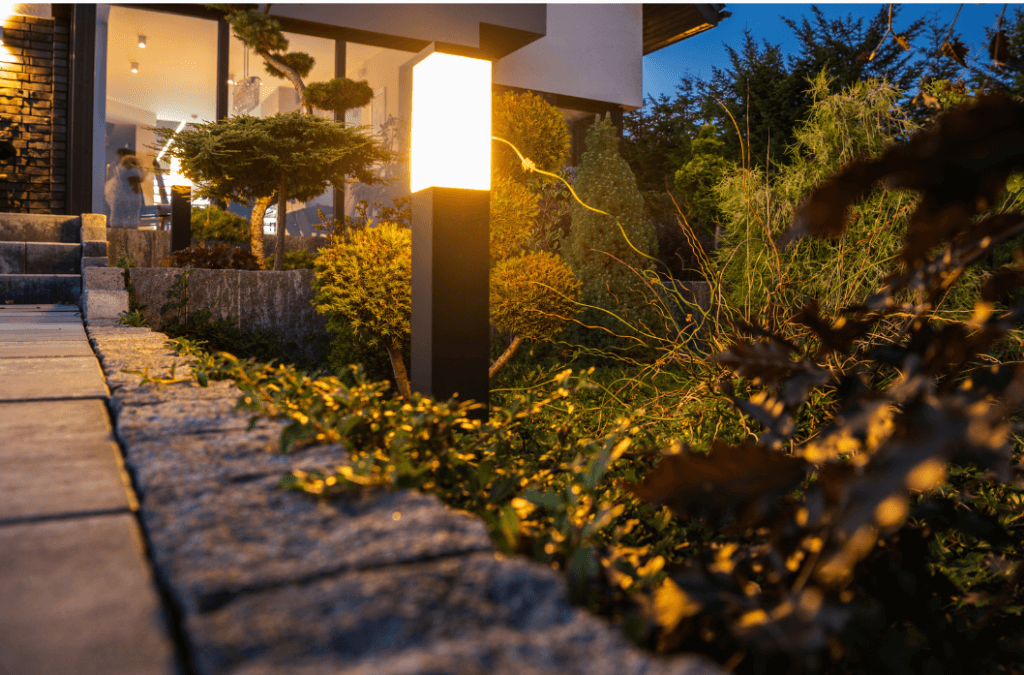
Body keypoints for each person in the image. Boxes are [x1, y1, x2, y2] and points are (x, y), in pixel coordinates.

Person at [105, 148, 147, 228]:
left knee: (122, 217)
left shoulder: (134, 188)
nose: (130, 166)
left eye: (133, 164)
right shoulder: (115, 187)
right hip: (121, 193)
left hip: (129, 192)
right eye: (127, 164)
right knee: (122, 217)